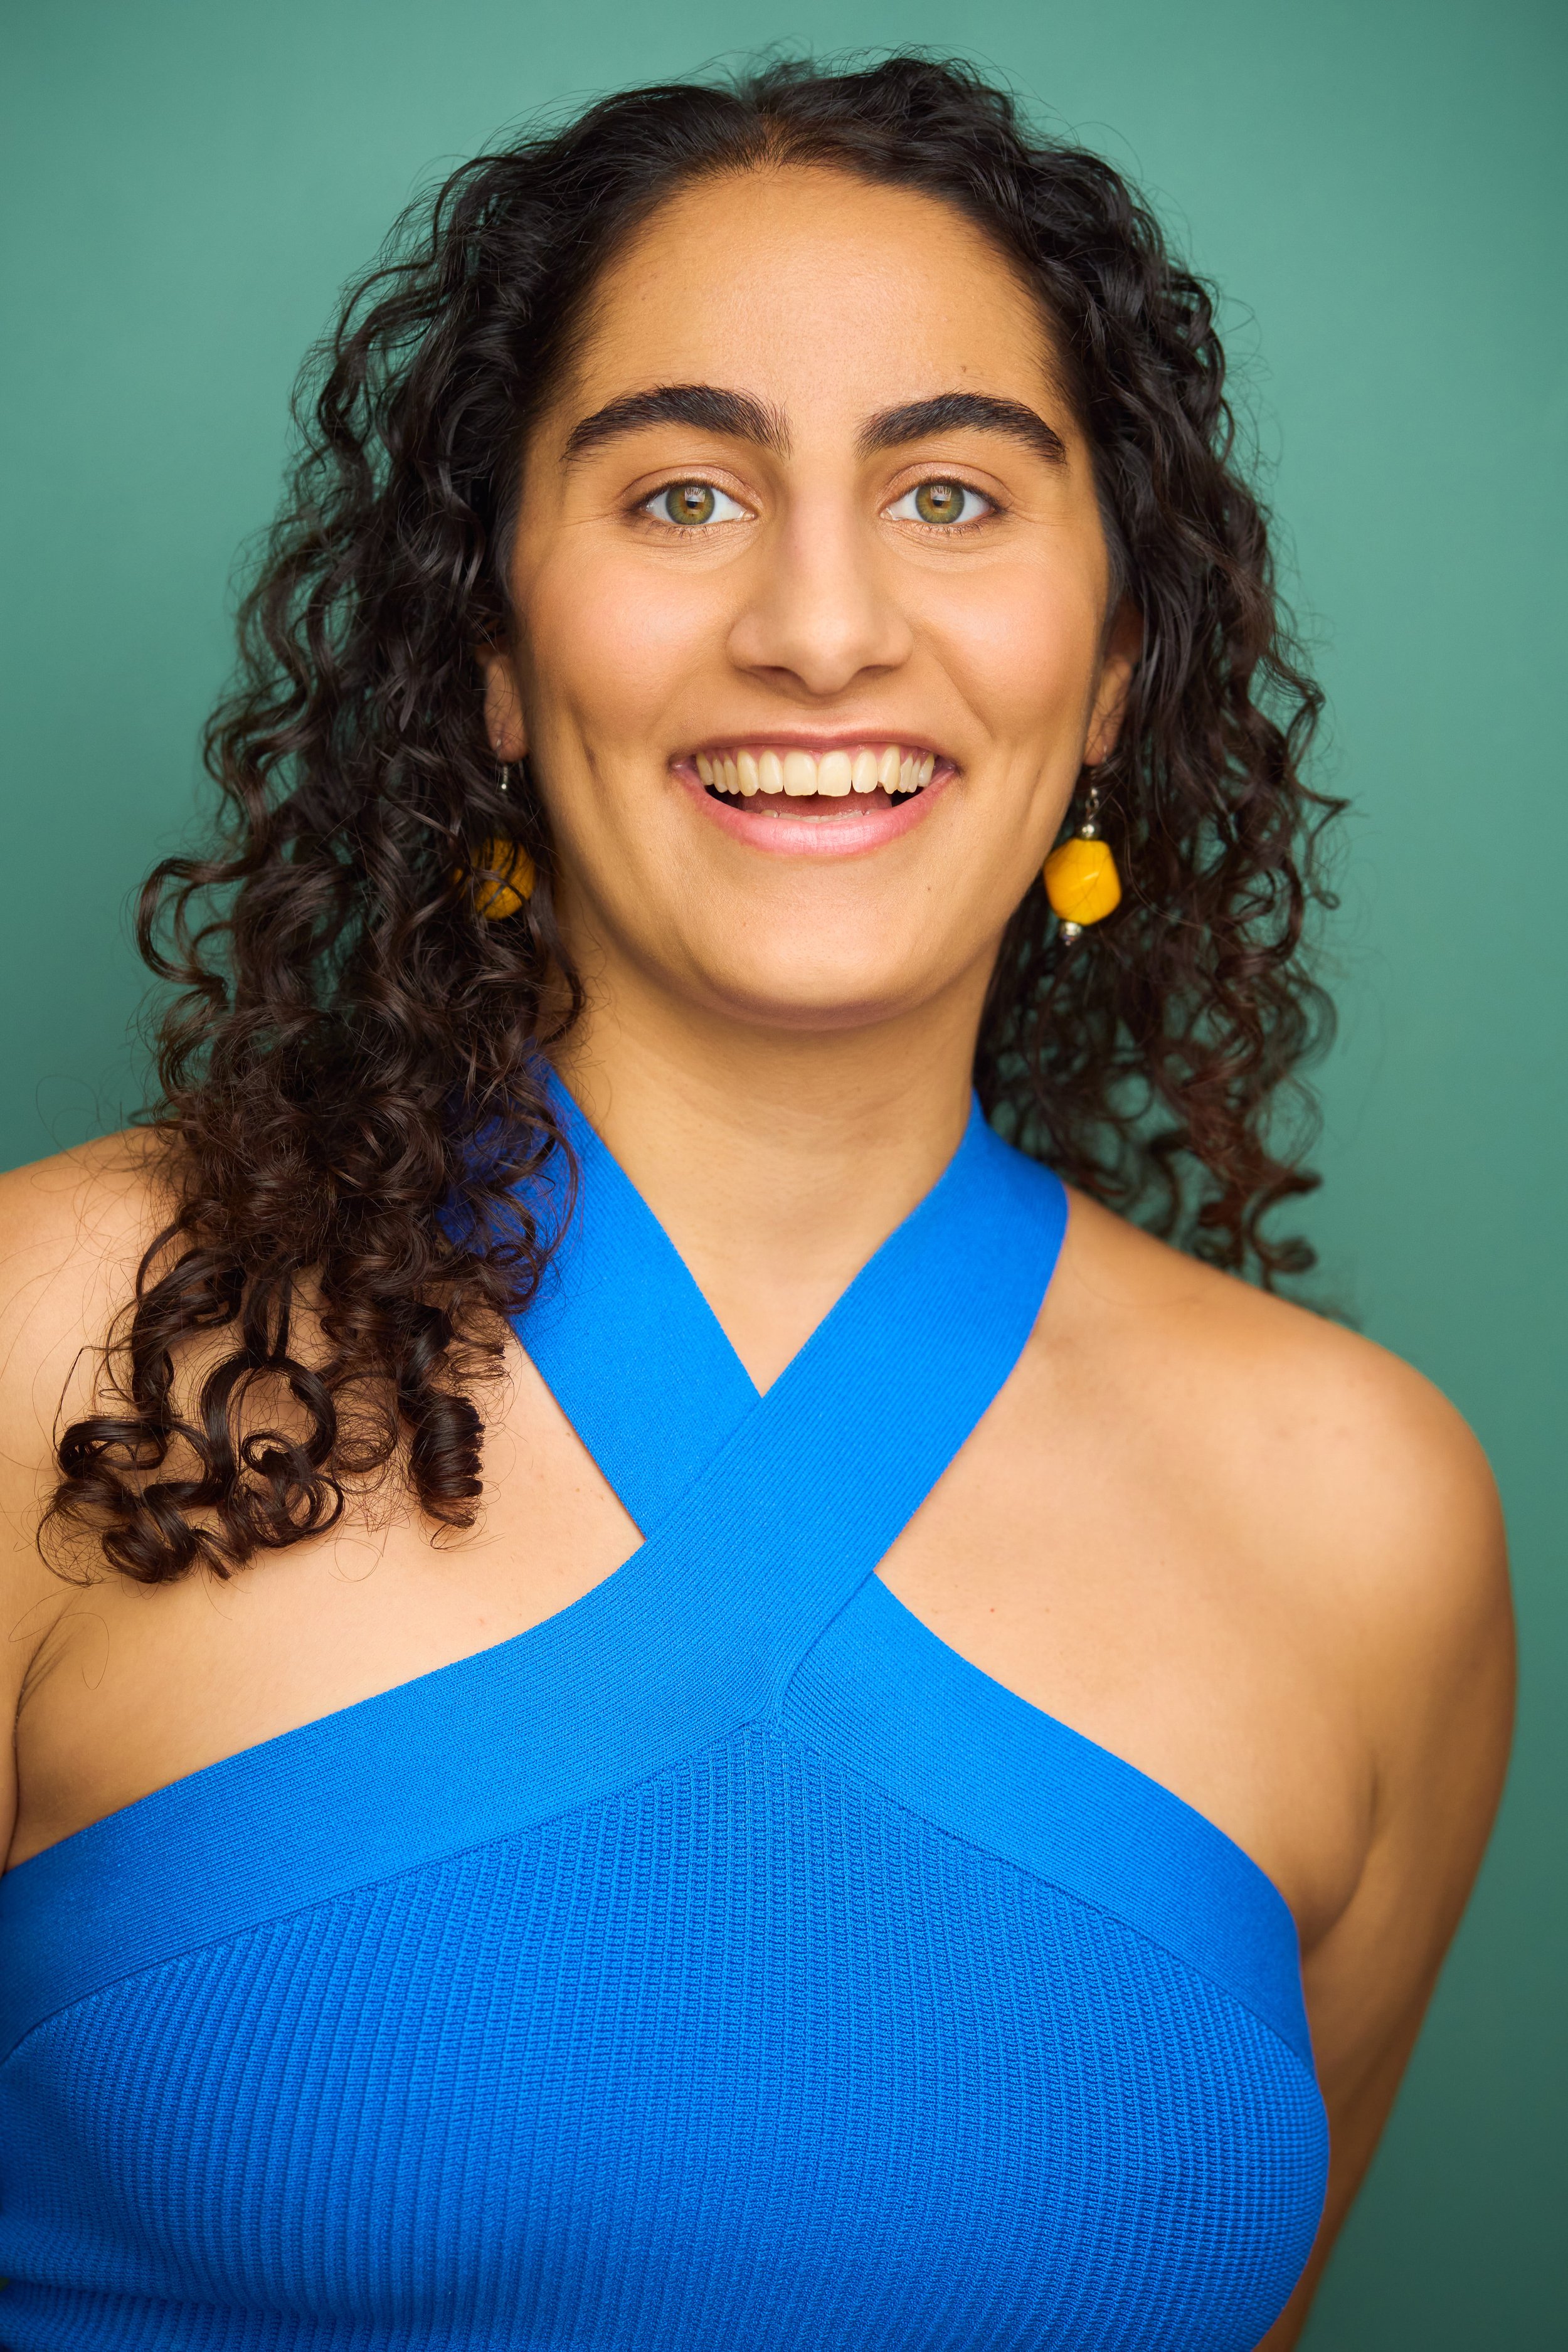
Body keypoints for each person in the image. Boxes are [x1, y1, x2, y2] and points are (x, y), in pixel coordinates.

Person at [0, 54, 1512, 2352]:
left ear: (1112, 667)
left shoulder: (1368, 1520)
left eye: (954, 496)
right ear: (494, 657)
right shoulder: (58, 1338)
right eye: (684, 494)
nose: (822, 629)